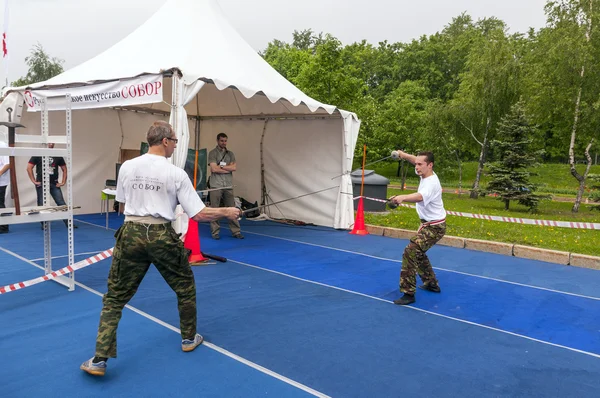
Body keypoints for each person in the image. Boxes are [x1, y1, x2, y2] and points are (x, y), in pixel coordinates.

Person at [80, 121, 241, 377]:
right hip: (161, 234)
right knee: (185, 287)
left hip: (131, 231)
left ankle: (99, 360)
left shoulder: (128, 167)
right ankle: (189, 338)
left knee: (114, 297)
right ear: (165, 141)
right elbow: (198, 214)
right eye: (175, 140)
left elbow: (121, 204)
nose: (176, 144)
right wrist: (227, 211)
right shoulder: (176, 173)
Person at [389, 150, 446, 305]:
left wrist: (402, 197)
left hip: (435, 227)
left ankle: (408, 293)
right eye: (416, 164)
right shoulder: (425, 173)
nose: (417, 167)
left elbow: (420, 197)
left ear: (430, 165)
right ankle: (431, 283)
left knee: (410, 251)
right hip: (428, 224)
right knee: (418, 253)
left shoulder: (431, 183)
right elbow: (416, 160)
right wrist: (403, 155)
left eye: (420, 164)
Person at [26, 143, 77, 229]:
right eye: (49, 143)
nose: (51, 144)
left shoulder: (57, 155)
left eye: (52, 143)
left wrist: (63, 182)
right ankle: (44, 224)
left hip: (54, 183)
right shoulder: (38, 154)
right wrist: (34, 181)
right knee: (41, 204)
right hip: (41, 183)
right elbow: (29, 167)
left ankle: (69, 223)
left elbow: (64, 169)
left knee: (61, 203)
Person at [207, 132, 243, 240]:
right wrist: (227, 168)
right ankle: (215, 232)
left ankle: (236, 231)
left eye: (225, 141)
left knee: (232, 208)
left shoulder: (230, 154)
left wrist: (221, 168)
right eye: (222, 141)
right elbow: (213, 169)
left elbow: (234, 168)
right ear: (218, 141)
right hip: (216, 185)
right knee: (215, 209)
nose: (224, 143)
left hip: (228, 184)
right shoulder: (212, 153)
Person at [0, 140, 9, 234]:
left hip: (1, 182)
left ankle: (4, 226)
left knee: (0, 204)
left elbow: (8, 163)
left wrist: (0, 173)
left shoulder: (2, 145)